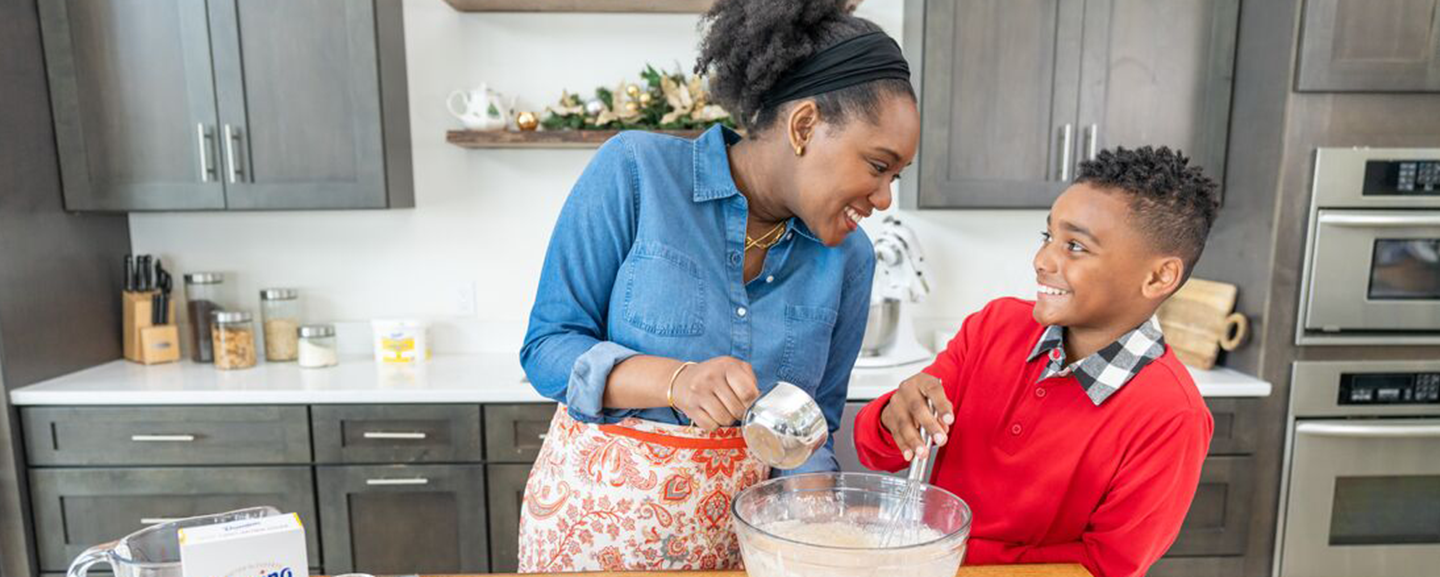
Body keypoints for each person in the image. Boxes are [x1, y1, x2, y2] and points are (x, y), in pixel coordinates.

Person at [516, 0, 919, 571]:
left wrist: (820, 540)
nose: (885, 199)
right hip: (591, 535)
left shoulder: (848, 257)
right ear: (804, 126)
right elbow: (547, 348)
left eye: (895, 177)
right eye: (878, 167)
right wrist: (675, 380)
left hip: (739, 549)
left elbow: (810, 430)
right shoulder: (636, 173)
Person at [854, 146, 1219, 577]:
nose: (1042, 261)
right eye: (1048, 237)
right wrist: (896, 412)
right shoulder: (995, 327)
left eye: (1076, 247)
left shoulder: (1172, 416)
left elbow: (1103, 568)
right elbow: (875, 450)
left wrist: (943, 555)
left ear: (1159, 277)